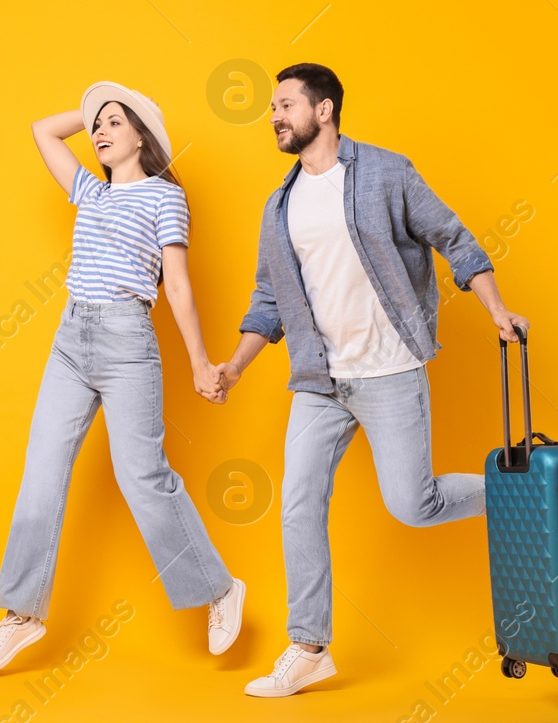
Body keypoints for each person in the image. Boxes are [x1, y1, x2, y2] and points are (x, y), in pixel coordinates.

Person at [214, 63, 529, 698]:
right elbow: (268, 300)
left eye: (284, 105)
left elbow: (456, 239)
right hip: (319, 379)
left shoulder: (387, 172)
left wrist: (496, 309)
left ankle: (516, 491)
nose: (273, 116)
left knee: (413, 506)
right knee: (299, 504)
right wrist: (235, 365)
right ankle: (309, 647)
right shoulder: (280, 206)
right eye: (272, 108)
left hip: (389, 370)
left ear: (323, 110)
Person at [0, 82, 246, 677]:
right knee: (42, 469)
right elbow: (43, 130)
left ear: (142, 137)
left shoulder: (164, 199)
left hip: (127, 343)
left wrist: (201, 361)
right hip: (71, 339)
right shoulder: (89, 191)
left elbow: (177, 285)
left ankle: (221, 589)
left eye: (115, 123)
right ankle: (23, 614)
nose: (99, 131)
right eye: (98, 125)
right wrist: (96, 101)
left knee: (141, 476)